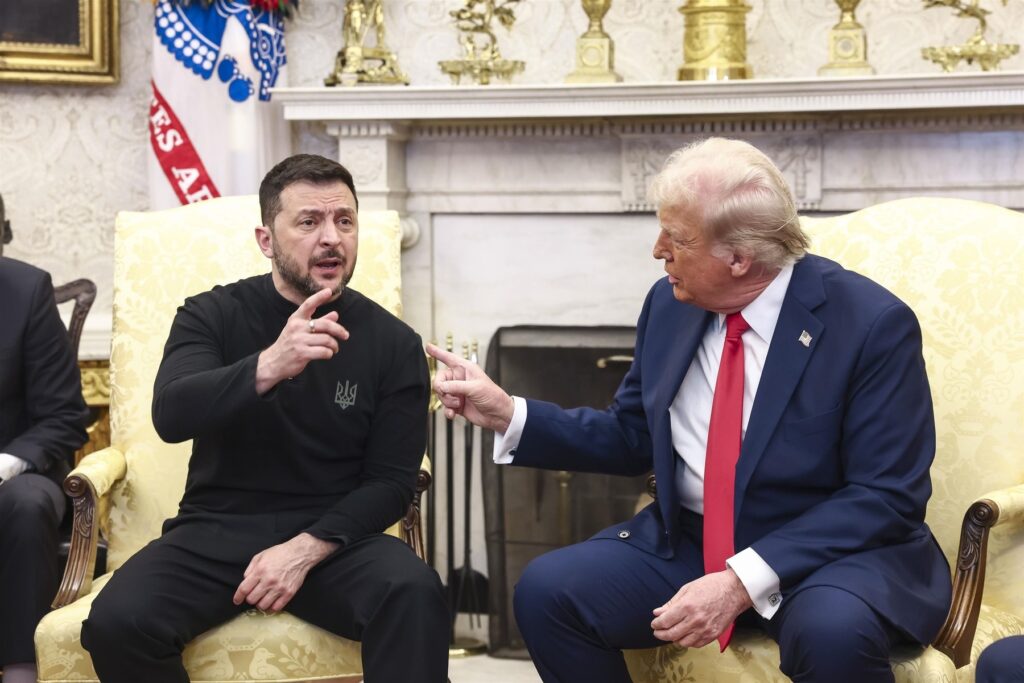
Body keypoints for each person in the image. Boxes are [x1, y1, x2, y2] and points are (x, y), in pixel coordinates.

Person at [428, 138, 952, 683]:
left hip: (829, 555)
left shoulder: (870, 324)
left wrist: (739, 581)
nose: (659, 250)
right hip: (694, 541)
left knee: (832, 633)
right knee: (550, 592)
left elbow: (885, 496)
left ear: (739, 258)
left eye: (677, 238)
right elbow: (632, 434)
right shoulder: (670, 304)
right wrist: (508, 414)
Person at [80, 154, 449, 682]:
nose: (331, 238)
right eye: (309, 222)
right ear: (266, 239)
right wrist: (269, 365)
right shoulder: (209, 315)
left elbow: (391, 483)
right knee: (119, 623)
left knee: (414, 592)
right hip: (216, 529)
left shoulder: (394, 343)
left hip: (334, 538)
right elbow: (172, 414)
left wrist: (303, 551)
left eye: (344, 221)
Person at [0, 191, 91, 683]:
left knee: (27, 503)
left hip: (17, 470)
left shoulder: (26, 290)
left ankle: (23, 668)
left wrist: (6, 465)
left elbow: (64, 415)